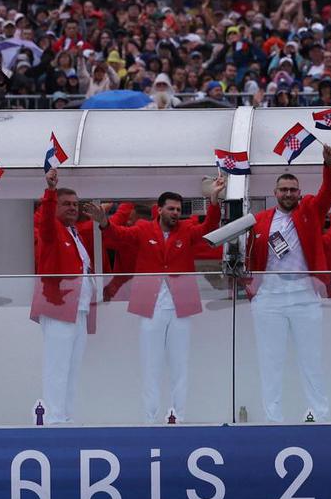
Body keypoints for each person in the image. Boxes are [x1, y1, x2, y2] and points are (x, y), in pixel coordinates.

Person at [91, 177, 224, 422]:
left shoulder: (186, 230)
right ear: (159, 209)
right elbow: (118, 236)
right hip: (150, 306)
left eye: (178, 210)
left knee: (180, 366)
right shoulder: (143, 228)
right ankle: (149, 419)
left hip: (180, 307)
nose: (175, 213)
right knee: (150, 367)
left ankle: (178, 417)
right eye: (171, 209)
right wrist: (104, 223)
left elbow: (208, 229)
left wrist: (213, 201)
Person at [244, 144, 331, 422]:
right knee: (270, 361)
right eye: (283, 190)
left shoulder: (310, 209)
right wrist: (250, 286)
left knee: (311, 360)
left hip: (304, 292)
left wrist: (329, 165)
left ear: (299, 192)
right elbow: (248, 253)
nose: (288, 194)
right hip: (269, 295)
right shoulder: (259, 220)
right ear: (275, 193)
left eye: (292, 190)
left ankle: (319, 415)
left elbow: (328, 192)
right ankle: (273, 418)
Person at [31, 167, 99, 424]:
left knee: (72, 369)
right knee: (57, 367)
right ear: (55, 205)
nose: (73, 207)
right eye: (67, 203)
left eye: (75, 204)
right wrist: (49, 191)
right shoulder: (51, 230)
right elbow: (46, 220)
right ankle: (53, 420)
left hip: (79, 308)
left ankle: (65, 417)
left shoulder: (74, 232)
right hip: (58, 305)